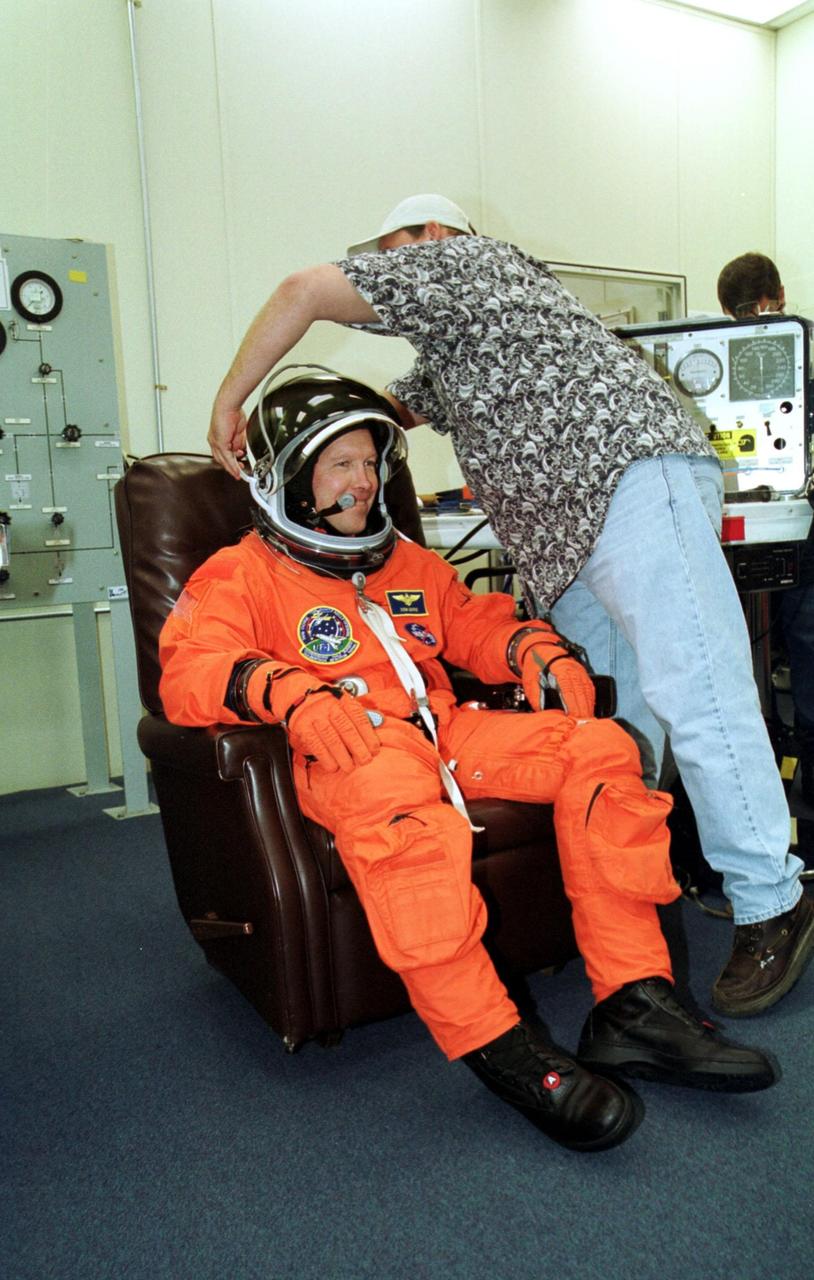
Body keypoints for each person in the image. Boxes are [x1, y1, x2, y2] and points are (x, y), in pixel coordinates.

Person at [207, 195, 814, 1019]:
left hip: (627, 479)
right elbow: (386, 413)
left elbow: (300, 291)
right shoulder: (466, 340)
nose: (395, 275)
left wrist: (229, 403)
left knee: (696, 692)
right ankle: (622, 909)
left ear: (429, 242)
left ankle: (771, 899)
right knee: (610, 722)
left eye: (399, 254)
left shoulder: (466, 264)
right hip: (570, 529)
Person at [171, 369, 776, 1150]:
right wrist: (288, 691)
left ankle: (635, 1001)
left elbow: (471, 624)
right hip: (357, 748)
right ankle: (500, 1043)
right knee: (407, 826)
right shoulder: (242, 574)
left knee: (599, 747)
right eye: (339, 465)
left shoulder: (405, 567)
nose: (364, 483)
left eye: (370, 463)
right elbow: (188, 671)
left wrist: (531, 648)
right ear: (289, 478)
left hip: (448, 733)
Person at [717, 251, 814, 808]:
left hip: (793, 528)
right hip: (771, 525)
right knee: (784, 644)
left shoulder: (802, 348)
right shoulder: (738, 360)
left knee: (795, 642)